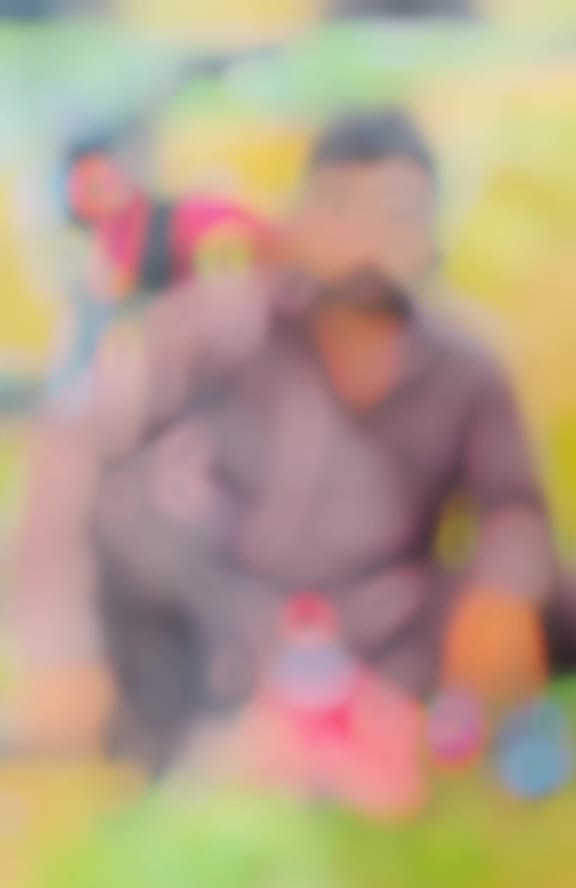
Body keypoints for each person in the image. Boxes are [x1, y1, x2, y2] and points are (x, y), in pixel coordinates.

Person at [10, 110, 575, 807]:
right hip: (224, 621)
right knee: (131, 519)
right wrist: (64, 646)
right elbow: (79, 449)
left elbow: (514, 510)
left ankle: (409, 734)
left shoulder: (466, 366)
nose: (366, 236)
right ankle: (217, 738)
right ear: (302, 218)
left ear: (430, 230)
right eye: (341, 209)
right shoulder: (214, 328)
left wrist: (502, 592)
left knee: (542, 591)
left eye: (394, 212)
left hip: (383, 624)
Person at [46, 136, 274, 400]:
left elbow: (247, 235)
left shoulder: (173, 215)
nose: (105, 185)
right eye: (91, 190)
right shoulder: (109, 261)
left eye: (102, 175)